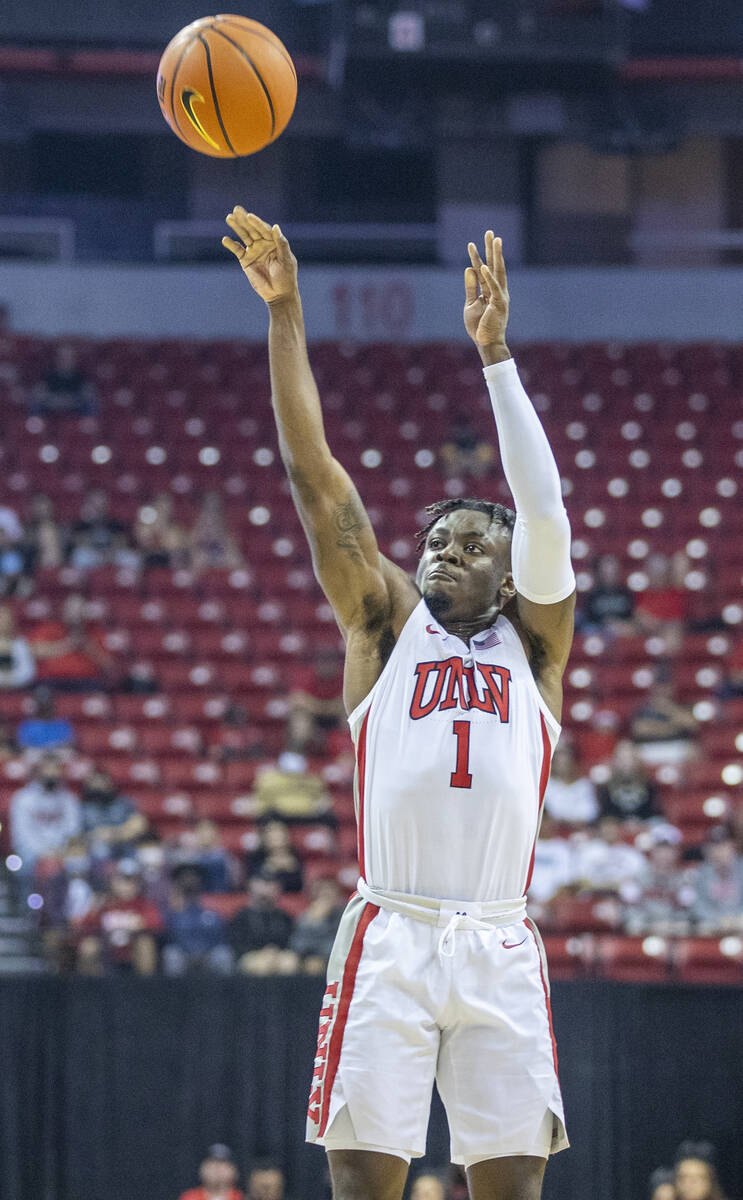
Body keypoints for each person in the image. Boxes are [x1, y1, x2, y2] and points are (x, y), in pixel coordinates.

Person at [224, 212, 574, 1198]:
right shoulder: (383, 627)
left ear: (509, 583)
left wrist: (495, 357)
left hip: (499, 938)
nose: (439, 552)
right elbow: (313, 477)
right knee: (359, 1182)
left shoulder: (535, 647)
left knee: (507, 1186)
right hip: (391, 931)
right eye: (433, 541)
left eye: (469, 544)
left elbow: (542, 514)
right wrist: (286, 312)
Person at [77, 860, 162, 975]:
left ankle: (146, 988)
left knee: (145, 944)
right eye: (123, 880)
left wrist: (139, 925)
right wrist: (94, 909)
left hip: (133, 952)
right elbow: (84, 927)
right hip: (107, 952)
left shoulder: (143, 904)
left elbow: (156, 923)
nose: (128, 886)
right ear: (113, 882)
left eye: (132, 881)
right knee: (88, 946)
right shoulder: (103, 904)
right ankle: (89, 989)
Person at [10, 755, 81, 890]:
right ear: (38, 771)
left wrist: (59, 851)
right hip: (31, 854)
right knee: (21, 865)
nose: (52, 773)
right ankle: (30, 909)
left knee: (79, 863)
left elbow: (73, 831)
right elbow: (22, 836)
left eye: (55, 769)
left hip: (62, 852)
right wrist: (44, 853)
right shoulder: (23, 798)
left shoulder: (69, 799)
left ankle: (72, 909)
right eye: (47, 769)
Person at [28, 591, 117, 689]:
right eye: (71, 609)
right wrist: (67, 645)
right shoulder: (50, 628)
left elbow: (109, 666)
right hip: (53, 680)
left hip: (86, 681)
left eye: (79, 609)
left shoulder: (95, 632)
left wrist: (88, 647)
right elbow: (33, 651)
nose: (75, 613)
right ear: (64, 610)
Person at [162, 864, 233, 975]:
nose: (189, 880)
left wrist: (205, 953)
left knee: (223, 954)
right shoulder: (171, 910)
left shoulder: (211, 905)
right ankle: (174, 991)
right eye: (185, 876)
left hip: (209, 954)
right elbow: (171, 938)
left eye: (193, 876)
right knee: (172, 955)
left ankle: (226, 992)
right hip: (183, 954)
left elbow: (219, 936)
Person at [227, 873, 297, 975]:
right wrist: (260, 953)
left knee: (290, 964)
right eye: (261, 884)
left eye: (270, 885)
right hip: (251, 954)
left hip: (278, 954)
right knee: (261, 966)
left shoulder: (284, 916)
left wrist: (274, 952)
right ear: (250, 889)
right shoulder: (241, 916)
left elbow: (291, 940)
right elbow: (236, 944)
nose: (265, 890)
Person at [630, 664, 698, 765]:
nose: (662, 691)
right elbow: (640, 730)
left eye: (666, 687)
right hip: (650, 747)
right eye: (659, 688)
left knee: (693, 750)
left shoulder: (682, 704)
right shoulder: (644, 707)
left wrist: (667, 708)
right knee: (631, 753)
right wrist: (673, 726)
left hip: (676, 745)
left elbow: (692, 725)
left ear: (672, 688)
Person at [80, 765, 147, 861]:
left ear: (109, 783)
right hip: (92, 851)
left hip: (123, 847)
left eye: (101, 782)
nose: (98, 787)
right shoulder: (82, 807)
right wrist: (95, 835)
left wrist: (114, 834)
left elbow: (139, 824)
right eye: (95, 783)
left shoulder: (124, 803)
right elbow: (73, 833)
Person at [286, 646, 345, 753]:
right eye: (324, 662)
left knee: (350, 715)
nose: (327, 667)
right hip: (313, 716)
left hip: (335, 716)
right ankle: (296, 756)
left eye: (330, 663)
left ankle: (347, 753)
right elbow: (296, 699)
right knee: (300, 720)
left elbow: (348, 701)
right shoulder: (307, 675)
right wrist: (322, 707)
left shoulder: (343, 676)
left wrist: (328, 707)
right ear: (318, 664)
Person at [691, 825, 743, 933]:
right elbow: (697, 904)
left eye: (724, 845)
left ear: (733, 846)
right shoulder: (701, 872)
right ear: (708, 849)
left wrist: (735, 919)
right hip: (712, 927)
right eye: (715, 846)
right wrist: (717, 920)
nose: (720, 850)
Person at [289, 876, 346, 973]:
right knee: (291, 963)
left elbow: (339, 945)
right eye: (322, 891)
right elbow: (297, 945)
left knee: (316, 966)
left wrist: (320, 957)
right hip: (307, 958)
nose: (326, 895)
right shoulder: (306, 916)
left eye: (330, 890)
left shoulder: (344, 915)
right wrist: (313, 921)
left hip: (332, 959)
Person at [597, 739, 658, 824]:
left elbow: (653, 812)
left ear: (638, 761)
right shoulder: (605, 786)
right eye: (622, 759)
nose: (626, 764)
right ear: (615, 761)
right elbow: (605, 815)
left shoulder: (650, 784)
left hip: (644, 824)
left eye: (630, 758)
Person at [31, 341, 97, 415]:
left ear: (75, 359)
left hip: (76, 415)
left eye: (69, 357)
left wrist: (64, 402)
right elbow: (39, 396)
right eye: (62, 357)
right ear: (56, 358)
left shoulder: (83, 379)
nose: (66, 360)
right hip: (51, 415)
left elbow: (87, 397)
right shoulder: (47, 377)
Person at [542, 740, 599, 826]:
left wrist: (570, 819)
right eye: (559, 763)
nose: (563, 767)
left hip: (580, 830)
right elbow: (551, 812)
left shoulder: (584, 785)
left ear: (572, 763)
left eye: (566, 763)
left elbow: (591, 812)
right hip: (553, 831)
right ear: (552, 764)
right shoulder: (547, 785)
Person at [245, 818, 304, 894]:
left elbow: (298, 885)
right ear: (264, 836)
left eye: (279, 832)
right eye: (271, 833)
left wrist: (290, 868)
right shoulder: (255, 857)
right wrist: (271, 867)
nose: (276, 836)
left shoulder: (295, 856)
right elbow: (251, 882)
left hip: (292, 899)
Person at [189, 491, 243, 572]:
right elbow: (193, 544)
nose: (212, 506)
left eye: (214, 503)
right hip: (203, 553)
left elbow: (231, 545)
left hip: (221, 552)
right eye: (209, 502)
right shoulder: (199, 522)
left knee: (234, 559)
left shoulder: (226, 522)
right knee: (198, 559)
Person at [579, 554, 635, 633]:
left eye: (612, 571)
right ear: (600, 572)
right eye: (606, 571)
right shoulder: (592, 594)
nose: (609, 574)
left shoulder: (625, 592)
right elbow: (588, 617)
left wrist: (619, 624)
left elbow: (630, 615)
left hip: (622, 628)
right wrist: (606, 623)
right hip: (598, 629)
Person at [16, 686, 74, 753]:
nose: (44, 707)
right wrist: (42, 751)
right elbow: (23, 747)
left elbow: (69, 744)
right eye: (41, 704)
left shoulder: (63, 724)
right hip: (35, 755)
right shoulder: (26, 725)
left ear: (52, 703)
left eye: (47, 703)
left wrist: (52, 748)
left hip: (57, 754)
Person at [178, 1143, 243, 1200]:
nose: (217, 1170)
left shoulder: (241, 1197)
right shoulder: (189, 1197)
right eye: (212, 1165)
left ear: (234, 1171)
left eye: (222, 1165)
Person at [439, 414, 494, 481]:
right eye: (459, 431)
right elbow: (448, 470)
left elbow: (484, 472)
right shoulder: (448, 449)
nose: (463, 434)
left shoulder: (483, 449)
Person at [0, 603, 36, 689]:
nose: (3, 623)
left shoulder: (20, 644)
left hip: (18, 691)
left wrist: (9, 680)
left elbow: (27, 673)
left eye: (6, 619)